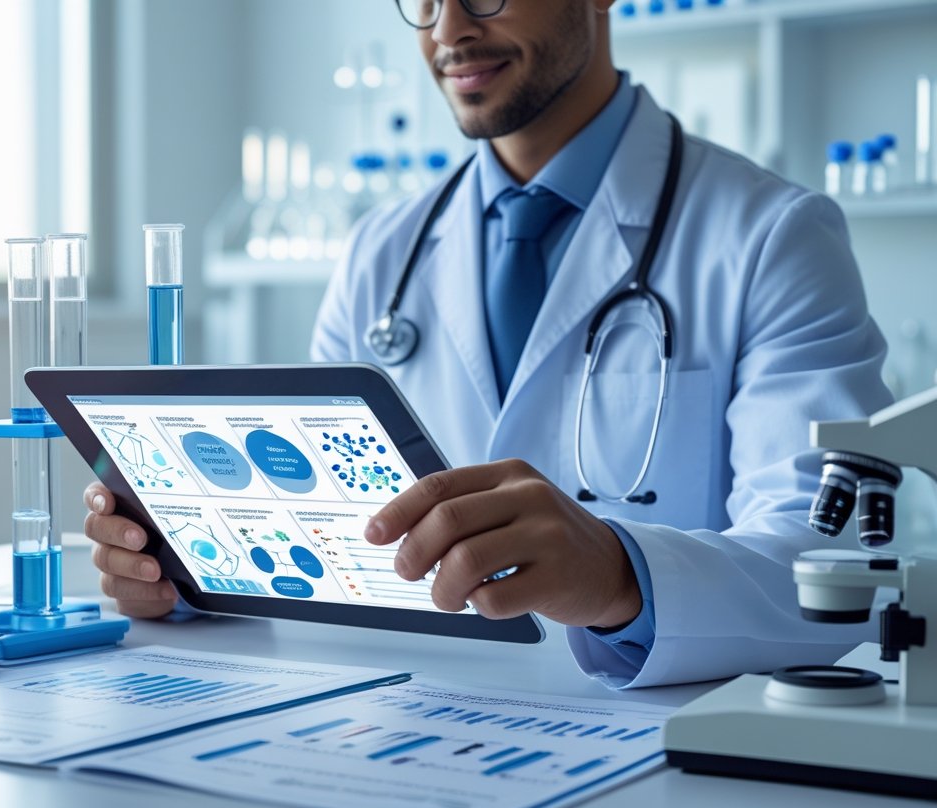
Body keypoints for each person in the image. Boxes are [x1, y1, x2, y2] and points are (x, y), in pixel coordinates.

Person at [84, 0, 893, 688]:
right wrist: (192, 566)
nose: (448, 31)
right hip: (412, 722)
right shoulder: (383, 250)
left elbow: (830, 565)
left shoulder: (772, 236)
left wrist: (623, 576)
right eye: (423, 0)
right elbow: (328, 528)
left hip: (651, 752)